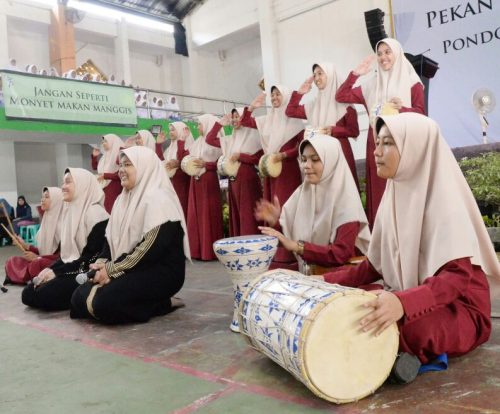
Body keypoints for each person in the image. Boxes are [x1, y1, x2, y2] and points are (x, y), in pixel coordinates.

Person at [318, 113, 500, 383]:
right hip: (413, 295)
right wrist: (323, 282)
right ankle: (393, 358)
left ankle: (391, 355)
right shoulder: (394, 195)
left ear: (415, 149)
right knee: (356, 305)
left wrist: (403, 302)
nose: (376, 152)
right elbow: (372, 267)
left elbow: (456, 280)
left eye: (387, 144)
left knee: (412, 329)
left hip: (458, 308)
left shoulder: (446, 203)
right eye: (377, 143)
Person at [70, 146, 190, 324]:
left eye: (128, 165)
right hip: (130, 266)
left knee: (105, 302)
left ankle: (162, 303)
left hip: (159, 271)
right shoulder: (122, 199)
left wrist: (111, 270)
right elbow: (110, 240)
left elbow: (148, 250)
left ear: (144, 167)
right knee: (77, 297)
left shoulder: (159, 199)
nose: (121, 170)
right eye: (121, 165)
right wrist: (101, 264)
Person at [336, 38, 425, 228]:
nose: (383, 57)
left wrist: (402, 109)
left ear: (397, 53)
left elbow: (421, 114)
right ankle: (382, 244)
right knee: (379, 194)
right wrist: (355, 74)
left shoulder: (412, 82)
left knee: (403, 193)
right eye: (380, 53)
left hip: (402, 145)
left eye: (388, 52)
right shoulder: (370, 85)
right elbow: (341, 96)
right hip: (375, 145)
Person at [256, 135, 370, 271]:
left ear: (332, 162)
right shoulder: (304, 193)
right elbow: (288, 239)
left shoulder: (346, 200)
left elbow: (341, 254)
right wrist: (275, 221)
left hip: (339, 283)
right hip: (310, 277)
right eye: (303, 160)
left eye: (315, 159)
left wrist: (299, 247)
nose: (306, 166)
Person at [21, 168, 109, 311]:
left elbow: (92, 258)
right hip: (74, 267)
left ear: (82, 185)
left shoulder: (96, 214)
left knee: (43, 294)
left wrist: (57, 273)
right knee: (29, 292)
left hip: (88, 270)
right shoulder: (70, 212)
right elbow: (66, 256)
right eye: (63, 182)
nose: (63, 187)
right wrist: (50, 269)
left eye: (68, 182)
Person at [241, 85, 304, 266]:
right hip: (270, 172)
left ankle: (290, 252)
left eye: (278, 94)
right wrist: (252, 106)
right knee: (272, 207)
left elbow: (300, 146)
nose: (275, 97)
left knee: (286, 207)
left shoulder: (294, 120)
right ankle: (275, 251)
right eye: (273, 95)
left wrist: (283, 155)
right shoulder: (267, 120)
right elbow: (246, 121)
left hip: (288, 171)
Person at [286, 62, 360, 188]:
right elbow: (290, 111)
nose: (316, 78)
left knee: (343, 190)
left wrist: (334, 130)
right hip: (319, 157)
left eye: (320, 74)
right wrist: (300, 93)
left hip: (340, 154)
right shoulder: (314, 105)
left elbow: (354, 131)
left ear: (330, 75)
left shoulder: (344, 104)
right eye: (314, 75)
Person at [205, 108, 263, 236]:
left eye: (237, 116)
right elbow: (209, 139)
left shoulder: (254, 136)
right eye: (233, 117)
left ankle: (251, 244)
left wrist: (241, 156)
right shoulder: (230, 139)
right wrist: (219, 124)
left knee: (247, 214)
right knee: (237, 213)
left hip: (248, 180)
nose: (235, 119)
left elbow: (259, 158)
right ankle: (240, 242)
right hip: (234, 180)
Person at [4, 187, 64, 284]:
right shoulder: (45, 221)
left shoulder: (63, 225)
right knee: (12, 260)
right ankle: (29, 277)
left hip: (55, 263)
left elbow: (64, 257)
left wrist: (38, 258)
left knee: (37, 263)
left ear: (56, 201)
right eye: (42, 197)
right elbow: (42, 250)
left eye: (47, 197)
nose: (42, 199)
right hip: (41, 260)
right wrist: (25, 245)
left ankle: (26, 277)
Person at [185, 114, 224, 260]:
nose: (198, 127)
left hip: (208, 180)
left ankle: (208, 251)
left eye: (200, 124)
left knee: (207, 215)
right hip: (195, 181)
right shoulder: (197, 142)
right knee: (196, 215)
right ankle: (197, 250)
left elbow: (221, 162)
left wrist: (206, 164)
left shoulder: (214, 143)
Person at [163, 122, 194, 219]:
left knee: (182, 212)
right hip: (171, 186)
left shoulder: (188, 146)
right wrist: (158, 145)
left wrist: (182, 140)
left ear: (180, 131)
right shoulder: (170, 148)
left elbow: (182, 160)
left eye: (173, 130)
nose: (170, 132)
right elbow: (162, 162)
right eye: (170, 130)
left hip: (183, 186)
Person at [91, 134, 123, 213]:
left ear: (112, 142)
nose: (103, 144)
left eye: (105, 141)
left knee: (111, 211)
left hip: (114, 187)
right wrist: (94, 157)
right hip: (103, 187)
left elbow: (120, 174)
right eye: (102, 142)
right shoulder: (105, 156)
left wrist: (105, 175)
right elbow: (96, 168)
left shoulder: (120, 156)